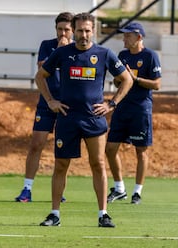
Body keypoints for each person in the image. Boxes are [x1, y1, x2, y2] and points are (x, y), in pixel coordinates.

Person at [35, 12, 133, 227]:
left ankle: (103, 214)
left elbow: (126, 79)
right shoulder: (62, 53)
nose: (84, 35)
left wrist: (111, 104)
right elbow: (40, 76)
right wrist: (51, 101)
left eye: (88, 30)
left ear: (93, 31)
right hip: (67, 118)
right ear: (74, 31)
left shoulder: (104, 53)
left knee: (98, 164)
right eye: (79, 30)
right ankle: (54, 214)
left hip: (94, 119)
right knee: (61, 165)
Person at [15, 12, 74, 203]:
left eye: (66, 29)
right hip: (46, 103)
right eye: (59, 29)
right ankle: (27, 189)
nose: (62, 33)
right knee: (36, 145)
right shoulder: (47, 45)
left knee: (62, 149)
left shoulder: (78, 49)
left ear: (73, 30)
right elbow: (42, 68)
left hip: (67, 105)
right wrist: (59, 50)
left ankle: (59, 190)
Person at [105, 22, 161, 205]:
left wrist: (135, 79)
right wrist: (119, 79)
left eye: (127, 35)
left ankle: (137, 192)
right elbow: (117, 81)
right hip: (121, 108)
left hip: (140, 109)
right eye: (124, 35)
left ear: (138, 37)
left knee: (141, 151)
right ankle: (120, 188)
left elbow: (157, 84)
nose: (124, 38)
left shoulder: (150, 56)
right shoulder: (122, 55)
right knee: (110, 148)